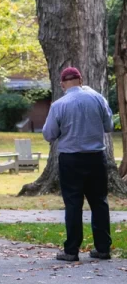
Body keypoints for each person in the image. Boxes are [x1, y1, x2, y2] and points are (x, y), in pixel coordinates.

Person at [41, 67, 113, 261]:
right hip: (96, 156)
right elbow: (109, 126)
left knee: (73, 203)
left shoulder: (59, 105)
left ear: (62, 84)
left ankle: (71, 250)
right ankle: (103, 248)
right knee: (99, 202)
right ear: (81, 80)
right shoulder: (98, 98)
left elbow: (49, 134)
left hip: (71, 158)